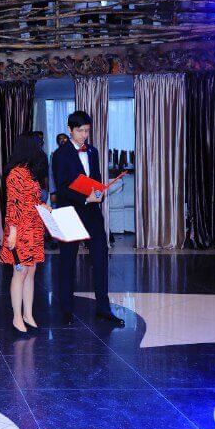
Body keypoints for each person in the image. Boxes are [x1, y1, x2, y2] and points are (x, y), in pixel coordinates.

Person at [52, 111, 125, 327]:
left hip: (92, 213)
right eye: (80, 131)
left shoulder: (92, 151)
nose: (84, 135)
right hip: (69, 213)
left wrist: (99, 192)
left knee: (101, 259)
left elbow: (96, 178)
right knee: (67, 262)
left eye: (87, 131)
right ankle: (66, 310)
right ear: (70, 129)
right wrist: (84, 198)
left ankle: (104, 309)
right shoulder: (59, 155)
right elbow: (62, 189)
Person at [0, 134, 49, 335]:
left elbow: (32, 200)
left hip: (34, 228)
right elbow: (12, 205)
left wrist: (43, 206)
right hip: (20, 230)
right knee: (19, 273)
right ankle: (17, 317)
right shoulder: (15, 174)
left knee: (31, 271)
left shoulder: (30, 172)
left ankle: (28, 314)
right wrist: (12, 232)